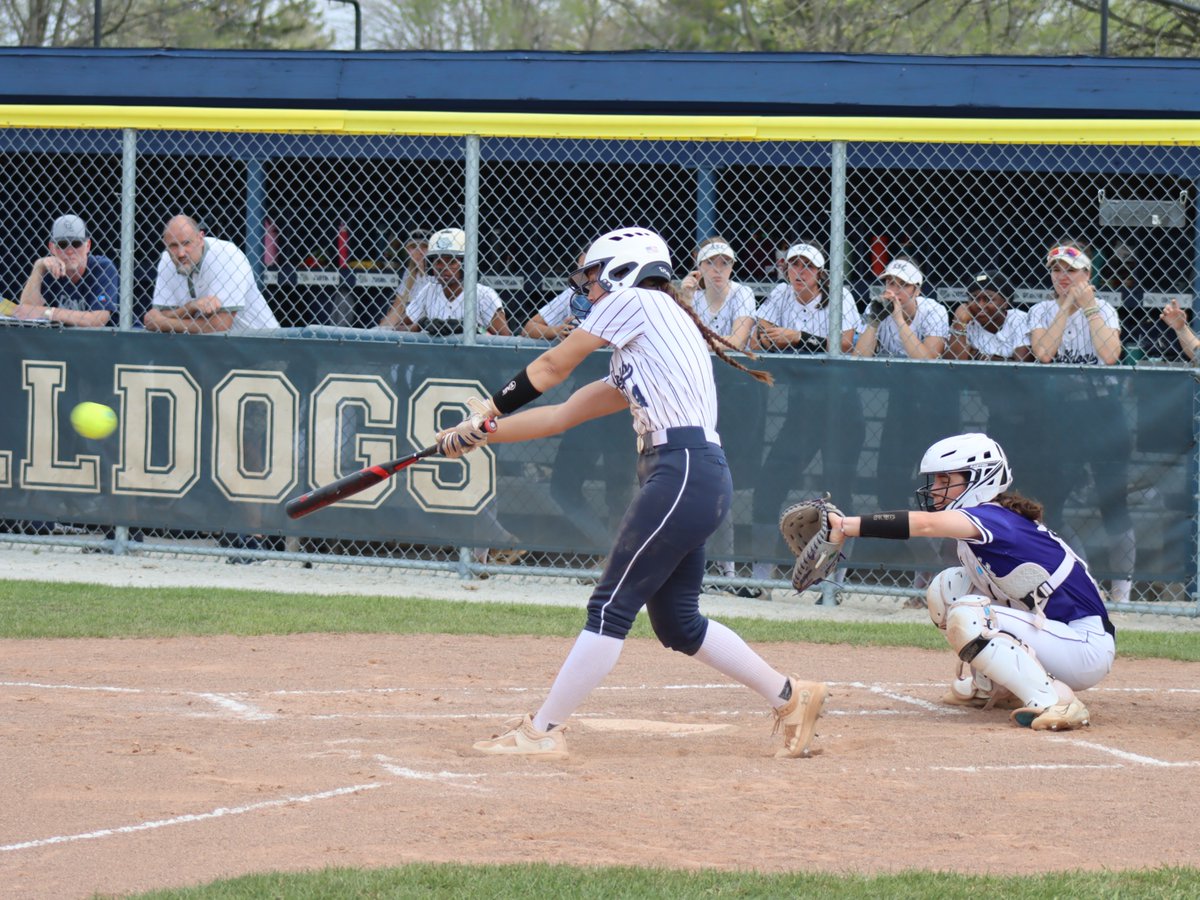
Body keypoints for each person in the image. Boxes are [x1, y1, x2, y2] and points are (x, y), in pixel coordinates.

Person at [437, 226, 828, 760]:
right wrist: (480, 434)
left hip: (682, 470)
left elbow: (552, 366)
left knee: (610, 607)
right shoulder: (649, 339)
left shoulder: (638, 300)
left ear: (624, 270)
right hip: (691, 474)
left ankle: (542, 730)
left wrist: (491, 407)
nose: (590, 290)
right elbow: (563, 414)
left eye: (595, 277)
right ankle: (790, 696)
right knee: (678, 622)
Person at [827, 432, 1114, 732]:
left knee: (970, 614)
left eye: (944, 480)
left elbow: (924, 525)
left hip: (1084, 645)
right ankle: (992, 688)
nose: (935, 490)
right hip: (1056, 633)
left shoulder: (994, 518)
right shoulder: (988, 520)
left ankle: (1057, 699)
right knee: (948, 589)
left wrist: (847, 526)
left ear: (979, 479)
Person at [747, 241, 865, 593]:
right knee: (768, 487)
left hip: (842, 407)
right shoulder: (782, 294)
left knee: (839, 494)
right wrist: (798, 339)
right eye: (794, 265)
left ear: (820, 272)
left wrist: (798, 336)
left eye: (808, 267)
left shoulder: (838, 295)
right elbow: (760, 337)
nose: (800, 272)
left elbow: (843, 343)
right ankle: (760, 579)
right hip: (801, 409)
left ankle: (834, 584)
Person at [1028, 242, 1134, 604]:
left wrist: (1085, 307)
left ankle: (1123, 592)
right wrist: (1066, 308)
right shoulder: (1041, 310)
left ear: (1087, 275)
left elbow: (1109, 356)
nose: (1063, 277)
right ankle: (1083, 576)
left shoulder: (1101, 308)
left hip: (1103, 410)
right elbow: (1044, 354)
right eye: (1057, 270)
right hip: (1061, 414)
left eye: (1071, 271)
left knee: (1113, 502)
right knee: (1052, 502)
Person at [677, 237, 760, 591]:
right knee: (700, 478)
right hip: (694, 391)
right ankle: (702, 569)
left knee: (726, 481)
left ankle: (727, 572)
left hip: (735, 396)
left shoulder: (742, 293)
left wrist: (698, 341)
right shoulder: (687, 294)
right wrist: (686, 298)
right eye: (711, 263)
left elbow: (736, 343)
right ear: (699, 266)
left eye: (724, 263)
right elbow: (677, 338)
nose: (718, 270)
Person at [853, 258, 953, 510]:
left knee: (936, 472)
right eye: (889, 282)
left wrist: (898, 320)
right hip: (899, 401)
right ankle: (896, 538)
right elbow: (859, 359)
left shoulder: (933, 310)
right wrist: (875, 321)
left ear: (916, 290)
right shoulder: (877, 308)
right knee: (889, 474)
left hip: (934, 402)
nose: (893, 290)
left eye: (901, 285)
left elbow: (927, 359)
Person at [144, 215, 280, 334]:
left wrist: (163, 323)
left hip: (261, 346)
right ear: (165, 245)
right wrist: (191, 306)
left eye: (186, 243)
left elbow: (219, 326)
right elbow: (161, 315)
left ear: (200, 238)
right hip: (210, 351)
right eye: (173, 245)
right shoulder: (167, 260)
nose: (180, 253)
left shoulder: (227, 255)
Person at [395, 227, 510, 336]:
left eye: (451, 262)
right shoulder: (429, 291)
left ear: (466, 264)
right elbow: (398, 328)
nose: (443, 268)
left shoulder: (484, 294)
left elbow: (505, 338)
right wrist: (420, 325)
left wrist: (475, 329)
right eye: (438, 262)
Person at [12, 215, 117, 327]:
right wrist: (38, 267)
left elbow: (97, 320)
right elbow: (26, 311)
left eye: (76, 243)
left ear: (88, 246)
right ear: (52, 247)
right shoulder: (50, 268)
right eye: (63, 244)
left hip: (113, 340)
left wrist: (46, 312)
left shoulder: (102, 267)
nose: (70, 251)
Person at [946, 270, 1031, 362]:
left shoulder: (1019, 319)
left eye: (988, 299)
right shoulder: (966, 321)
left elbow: (1021, 366)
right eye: (974, 298)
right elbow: (952, 366)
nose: (980, 305)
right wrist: (959, 323)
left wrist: (976, 355)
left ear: (1005, 302)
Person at [377, 230, 431, 329]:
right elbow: (398, 308)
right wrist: (380, 330)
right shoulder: (409, 274)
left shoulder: (435, 276)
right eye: (414, 247)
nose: (419, 251)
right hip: (408, 326)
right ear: (408, 251)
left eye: (424, 247)